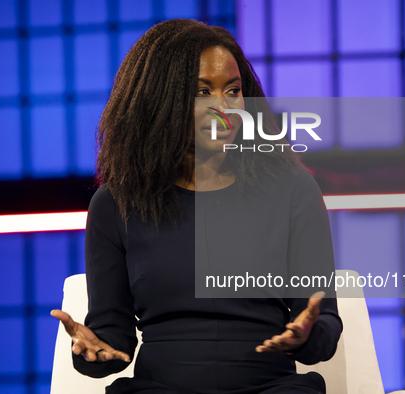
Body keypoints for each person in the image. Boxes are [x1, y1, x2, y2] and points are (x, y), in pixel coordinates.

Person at [51, 19, 342, 394]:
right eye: (202, 91)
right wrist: (92, 351)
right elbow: (112, 335)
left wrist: (307, 334)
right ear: (159, 99)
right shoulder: (115, 204)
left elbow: (325, 324)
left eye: (233, 91)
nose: (223, 108)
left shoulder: (292, 189)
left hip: (271, 387)